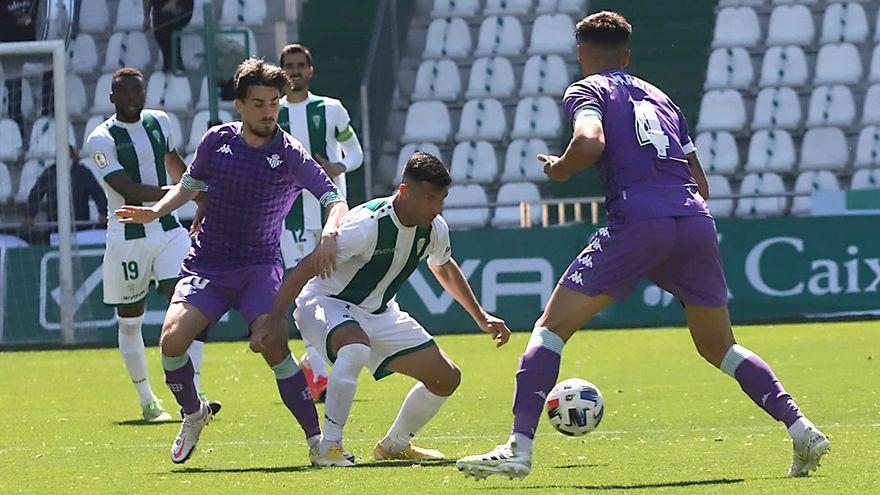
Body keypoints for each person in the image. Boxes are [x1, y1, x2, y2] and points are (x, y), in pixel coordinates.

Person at [456, 11, 830, 480]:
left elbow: (589, 142)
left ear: (582, 54)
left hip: (638, 220)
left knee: (549, 331)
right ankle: (801, 428)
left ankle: (518, 448)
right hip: (694, 219)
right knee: (720, 347)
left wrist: (560, 169)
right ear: (628, 55)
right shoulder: (662, 97)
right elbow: (700, 181)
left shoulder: (587, 90)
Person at [114, 58, 349, 465]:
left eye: (274, 103)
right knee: (171, 342)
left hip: (258, 267)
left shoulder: (290, 152)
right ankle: (193, 414)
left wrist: (330, 232)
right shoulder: (216, 141)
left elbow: (334, 198)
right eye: (259, 103)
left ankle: (317, 443)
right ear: (240, 105)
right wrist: (155, 211)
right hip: (208, 264)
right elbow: (188, 185)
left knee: (274, 346)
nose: (269, 112)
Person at [256, 152, 511, 466]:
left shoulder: (434, 228)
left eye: (442, 199)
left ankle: (395, 444)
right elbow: (305, 269)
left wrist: (480, 315)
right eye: (430, 198)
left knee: (446, 378)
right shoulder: (364, 226)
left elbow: (443, 266)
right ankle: (329, 447)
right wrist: (273, 317)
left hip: (380, 313)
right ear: (404, 191)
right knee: (355, 348)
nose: (437, 208)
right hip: (325, 302)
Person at [84, 67, 217, 422]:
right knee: (130, 322)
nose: (132, 99)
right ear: (111, 97)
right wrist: (186, 193)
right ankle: (147, 400)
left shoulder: (160, 122)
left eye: (137, 92)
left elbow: (175, 166)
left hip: (169, 230)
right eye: (124, 94)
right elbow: (128, 190)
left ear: (145, 93)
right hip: (127, 236)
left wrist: (197, 196)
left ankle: (196, 391)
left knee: (193, 305)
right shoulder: (100, 139)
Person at [277, 43, 365, 402]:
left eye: (301, 65)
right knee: (301, 293)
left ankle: (315, 362)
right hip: (289, 216)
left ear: (310, 70)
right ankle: (319, 371)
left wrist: (336, 167)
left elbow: (356, 152)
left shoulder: (330, 109)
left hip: (331, 216)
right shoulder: (272, 114)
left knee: (331, 290)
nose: (295, 71)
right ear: (282, 73)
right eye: (289, 66)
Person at [23, 145, 108, 229]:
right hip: (55, 225)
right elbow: (36, 193)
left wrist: (103, 213)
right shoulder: (50, 173)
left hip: (80, 224)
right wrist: (29, 215)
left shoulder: (83, 173)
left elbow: (98, 193)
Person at [142, 0, 194, 73]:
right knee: (158, 32)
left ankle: (177, 65)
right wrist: (146, 17)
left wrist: (172, 3)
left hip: (181, 5)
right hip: (160, 9)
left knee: (169, 23)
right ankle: (168, 64)